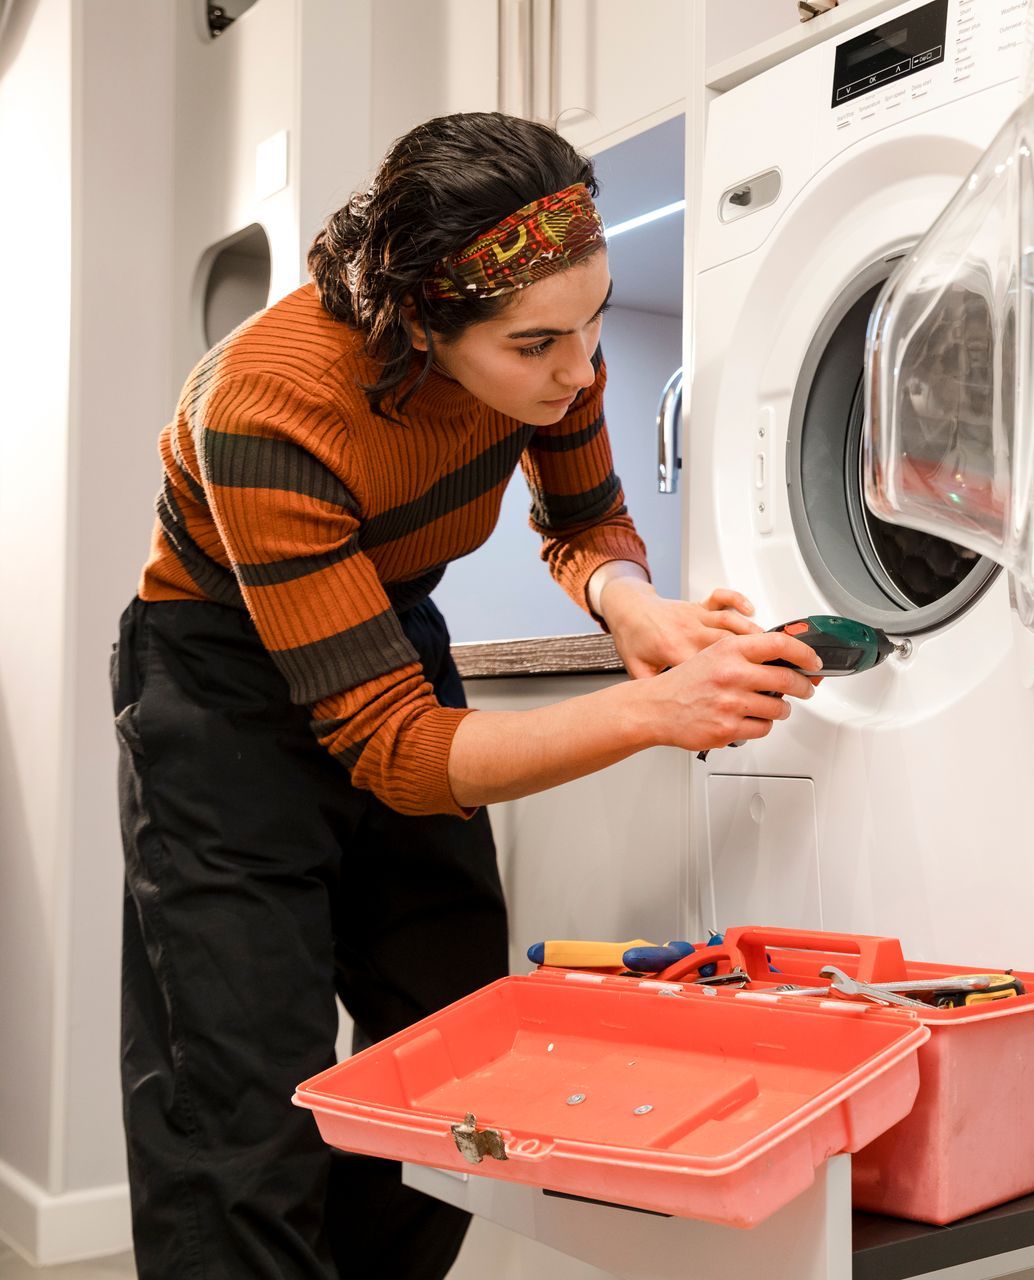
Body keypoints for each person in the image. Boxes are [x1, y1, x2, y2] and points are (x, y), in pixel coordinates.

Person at [110, 112, 821, 1278]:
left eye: (595, 320)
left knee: (450, 1044)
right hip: (215, 679)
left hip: (394, 628)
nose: (582, 367)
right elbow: (397, 748)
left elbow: (583, 518)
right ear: (419, 323)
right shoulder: (263, 406)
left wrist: (635, 609)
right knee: (237, 1087)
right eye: (538, 343)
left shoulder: (552, 335)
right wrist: (654, 711)